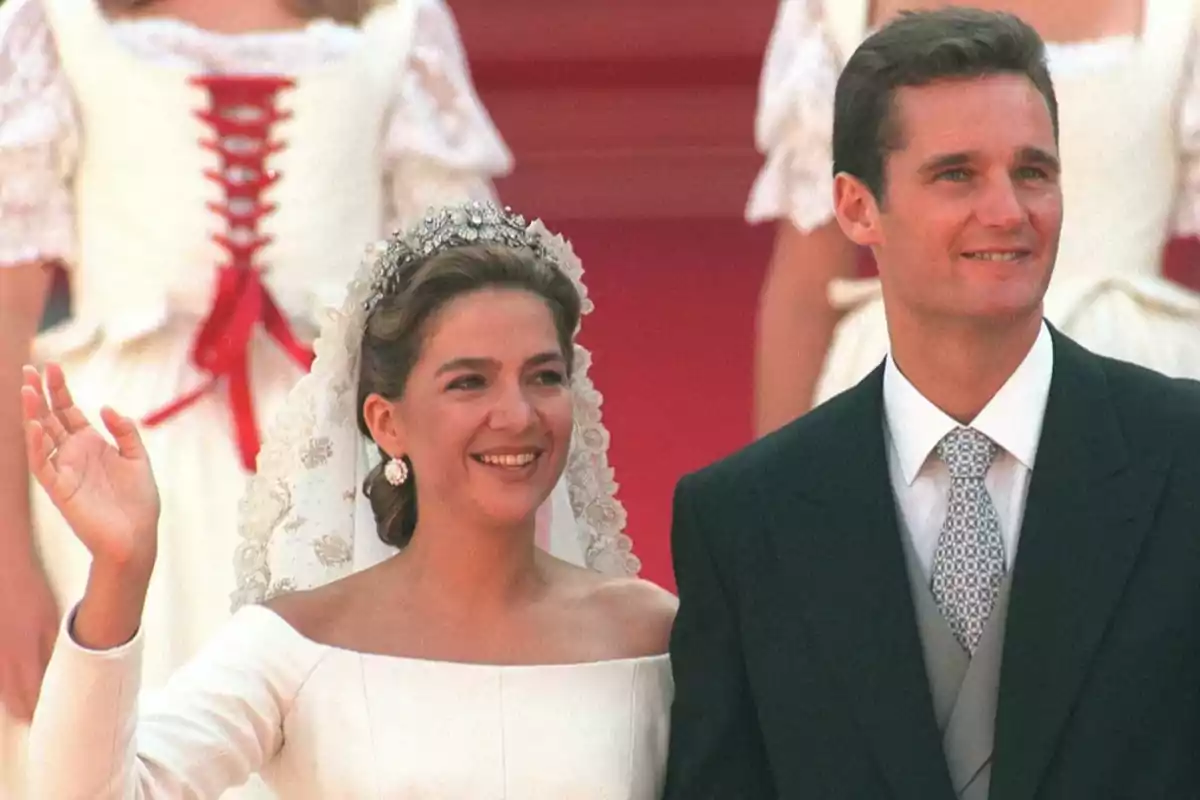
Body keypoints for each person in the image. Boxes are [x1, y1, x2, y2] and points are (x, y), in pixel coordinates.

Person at [665, 9, 1200, 798]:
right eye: (957, 174)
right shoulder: (745, 521)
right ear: (855, 207)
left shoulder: (1186, 462)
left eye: (1032, 172)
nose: (1007, 212)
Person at [0, 0, 521, 792]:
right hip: (113, 474)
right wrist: (8, 568)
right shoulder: (59, 22)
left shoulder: (396, 26)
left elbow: (465, 317)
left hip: (343, 473)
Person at [20, 202, 676, 798]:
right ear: (386, 423)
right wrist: (120, 567)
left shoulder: (656, 636)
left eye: (544, 376)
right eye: (469, 382)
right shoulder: (297, 646)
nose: (516, 413)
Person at [747, 0, 1200, 436]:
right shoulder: (833, 10)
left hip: (1134, 384)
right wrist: (770, 502)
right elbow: (807, 289)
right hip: (899, 381)